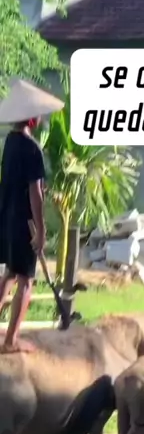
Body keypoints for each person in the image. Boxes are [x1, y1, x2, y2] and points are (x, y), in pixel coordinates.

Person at [0, 79, 63, 353]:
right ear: (31, 118)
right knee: (26, 280)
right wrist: (40, 230)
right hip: (24, 223)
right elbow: (35, 193)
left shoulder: (10, 142)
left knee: (9, 274)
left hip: (7, 217)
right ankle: (10, 341)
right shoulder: (31, 148)